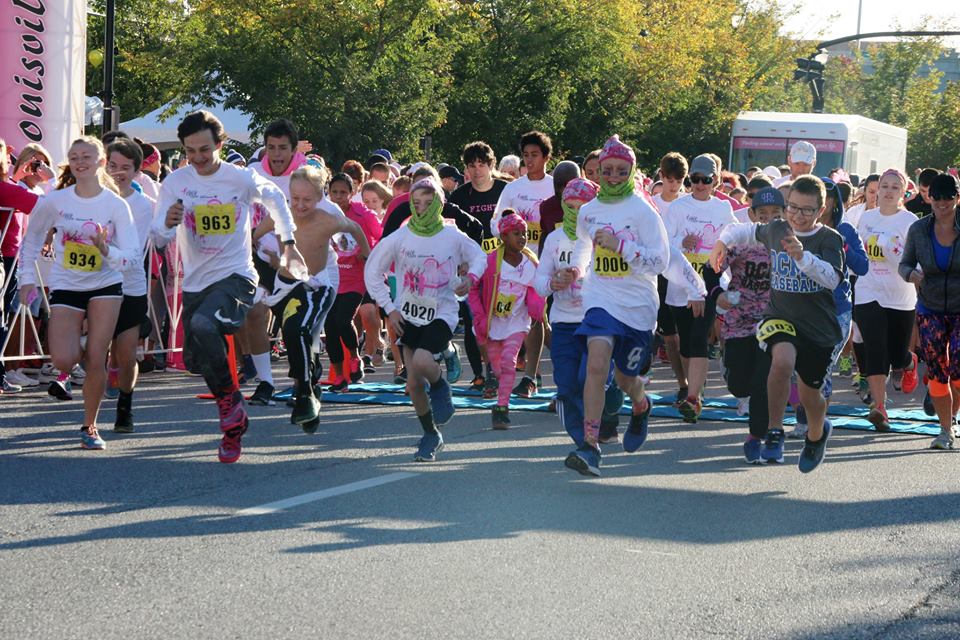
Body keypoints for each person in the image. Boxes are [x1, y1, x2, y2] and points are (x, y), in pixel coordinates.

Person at [151, 110, 306, 463]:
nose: (198, 158)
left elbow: (277, 201)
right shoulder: (175, 182)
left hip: (236, 276)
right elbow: (158, 236)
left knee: (206, 326)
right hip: (196, 282)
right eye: (191, 151)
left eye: (205, 149)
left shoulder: (240, 178)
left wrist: (288, 242)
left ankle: (229, 401)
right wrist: (167, 222)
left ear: (219, 145)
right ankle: (232, 421)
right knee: (197, 360)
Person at [710, 175, 844, 473]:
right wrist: (721, 243)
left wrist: (802, 256)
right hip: (780, 317)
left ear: (821, 210)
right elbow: (741, 229)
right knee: (781, 361)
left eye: (807, 210)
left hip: (817, 327)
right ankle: (774, 430)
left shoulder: (829, 239)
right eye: (793, 207)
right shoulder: (777, 230)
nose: (798, 215)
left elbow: (832, 278)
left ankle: (816, 433)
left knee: (811, 396)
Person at [18, 136, 140, 449]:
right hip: (67, 284)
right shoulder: (56, 201)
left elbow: (130, 257)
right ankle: (82, 344)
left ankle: (90, 426)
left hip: (106, 285)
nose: (80, 161)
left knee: (97, 358)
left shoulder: (116, 205)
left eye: (87, 156)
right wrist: (26, 280)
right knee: (63, 358)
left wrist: (104, 248)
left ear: (101, 163)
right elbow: (30, 242)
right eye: (74, 157)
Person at [565, 135, 672, 477]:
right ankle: (590, 445)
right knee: (596, 364)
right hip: (601, 299)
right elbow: (583, 247)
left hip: (638, 307)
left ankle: (641, 406)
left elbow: (660, 261)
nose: (612, 176)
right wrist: (577, 271)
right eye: (606, 170)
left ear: (632, 171)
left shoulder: (643, 210)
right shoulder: (589, 210)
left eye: (620, 170)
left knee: (627, 380)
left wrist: (622, 245)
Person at [363, 177, 486, 462]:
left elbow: (479, 257)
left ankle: (442, 388)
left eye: (428, 204)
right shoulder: (401, 236)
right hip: (407, 314)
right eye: (415, 203)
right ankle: (431, 434)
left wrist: (469, 278)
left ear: (440, 205)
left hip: (442, 311)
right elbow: (373, 271)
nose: (421, 209)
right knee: (413, 385)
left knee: (420, 361)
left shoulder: (452, 236)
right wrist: (389, 309)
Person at [266, 166, 369, 431]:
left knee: (299, 329)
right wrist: (264, 256)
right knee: (295, 334)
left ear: (319, 197)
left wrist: (364, 251)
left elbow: (354, 229)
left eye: (307, 200)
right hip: (287, 281)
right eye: (295, 198)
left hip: (321, 282)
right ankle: (310, 380)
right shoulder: (281, 213)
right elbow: (254, 235)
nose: (300, 205)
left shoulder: (329, 215)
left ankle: (306, 394)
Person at [663, 154, 735, 423]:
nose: (701, 184)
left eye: (706, 179)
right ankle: (691, 388)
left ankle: (694, 397)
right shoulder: (678, 208)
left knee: (698, 338)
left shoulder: (723, 209)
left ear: (715, 180)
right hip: (680, 282)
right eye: (695, 179)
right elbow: (664, 245)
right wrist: (683, 242)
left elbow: (734, 239)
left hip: (708, 281)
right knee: (685, 341)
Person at [245, 118, 309, 404]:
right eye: (271, 147)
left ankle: (302, 381)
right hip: (258, 256)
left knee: (292, 321)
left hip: (296, 257)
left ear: (294, 149)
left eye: (283, 148)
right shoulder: (253, 173)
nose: (277, 154)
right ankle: (266, 382)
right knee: (254, 312)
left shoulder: (307, 174)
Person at [854, 168, 920, 431]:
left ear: (903, 193)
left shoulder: (910, 221)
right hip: (868, 290)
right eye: (885, 186)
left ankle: (907, 362)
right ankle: (879, 406)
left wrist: (894, 250)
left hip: (900, 295)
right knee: (875, 347)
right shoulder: (866, 218)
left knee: (895, 354)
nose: (889, 191)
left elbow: (915, 260)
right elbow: (858, 252)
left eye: (895, 187)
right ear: (876, 190)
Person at [715, 187, 778, 462]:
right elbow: (712, 268)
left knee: (762, 382)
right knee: (740, 386)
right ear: (751, 216)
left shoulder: (788, 245)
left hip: (772, 322)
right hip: (738, 320)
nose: (769, 221)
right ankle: (729, 368)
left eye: (776, 215)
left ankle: (756, 435)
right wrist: (719, 294)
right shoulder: (740, 242)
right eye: (762, 215)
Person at [492, 131, 555, 398]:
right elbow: (495, 222)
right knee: (532, 316)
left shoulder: (555, 186)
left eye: (535, 155)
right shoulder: (513, 188)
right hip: (519, 262)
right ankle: (532, 375)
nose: (529, 161)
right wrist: (510, 230)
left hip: (548, 260)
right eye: (526, 156)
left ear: (546, 158)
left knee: (539, 315)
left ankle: (536, 373)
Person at [899, 173, 960, 449]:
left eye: (949, 196)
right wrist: (911, 274)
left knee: (959, 372)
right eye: (937, 196)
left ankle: (953, 415)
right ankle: (945, 431)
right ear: (929, 197)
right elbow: (905, 264)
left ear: (957, 198)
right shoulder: (919, 230)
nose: (942, 202)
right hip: (930, 308)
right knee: (937, 372)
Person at [469, 212, 545, 428]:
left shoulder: (531, 262)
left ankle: (502, 408)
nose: (522, 237)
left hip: (517, 321)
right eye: (516, 233)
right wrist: (480, 315)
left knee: (509, 361)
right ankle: (502, 396)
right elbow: (473, 289)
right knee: (499, 367)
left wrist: (538, 306)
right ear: (503, 236)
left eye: (525, 233)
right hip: (493, 323)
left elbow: (539, 287)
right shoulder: (490, 261)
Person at [104, 138, 157, 433]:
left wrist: (100, 247)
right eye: (112, 165)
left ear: (137, 171)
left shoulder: (142, 206)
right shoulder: (89, 198)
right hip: (94, 286)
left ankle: (125, 406)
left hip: (129, 287)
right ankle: (91, 419)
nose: (117, 172)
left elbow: (130, 252)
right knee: (91, 353)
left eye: (125, 167)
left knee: (126, 357)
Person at [448, 141, 509, 389]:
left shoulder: (505, 190)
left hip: (504, 264)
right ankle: (480, 373)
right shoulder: (460, 196)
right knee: (474, 321)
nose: (476, 170)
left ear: (491, 165)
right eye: (471, 165)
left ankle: (507, 366)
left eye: (481, 164)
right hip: (470, 266)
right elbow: (451, 231)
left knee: (503, 318)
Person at [323, 173, 382, 390]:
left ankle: (355, 356)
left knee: (342, 319)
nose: (338, 197)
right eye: (334, 192)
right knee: (329, 326)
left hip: (356, 277)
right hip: (332, 275)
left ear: (352, 193)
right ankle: (339, 376)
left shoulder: (363, 215)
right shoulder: (324, 213)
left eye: (343, 192)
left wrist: (367, 253)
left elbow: (381, 238)